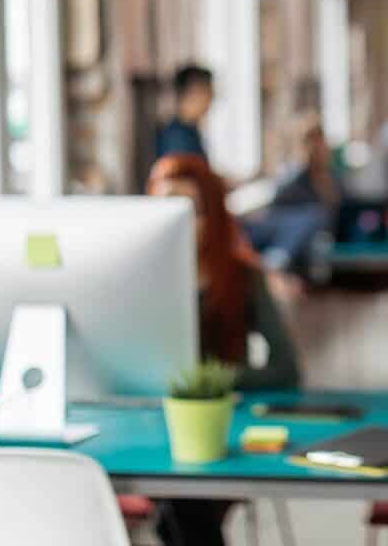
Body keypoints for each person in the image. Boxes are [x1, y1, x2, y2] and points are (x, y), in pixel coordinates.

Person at [146, 154, 301, 546]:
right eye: (165, 206)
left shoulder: (242, 277)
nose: (177, 220)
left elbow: (286, 368)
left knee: (180, 498)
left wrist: (212, 383)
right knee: (175, 495)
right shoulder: (138, 278)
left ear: (212, 215)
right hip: (152, 427)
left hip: (225, 430)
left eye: (190, 210)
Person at [243, 111, 341, 273]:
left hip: (311, 239)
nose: (317, 147)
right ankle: (274, 263)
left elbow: (335, 206)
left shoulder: (330, 177)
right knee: (311, 217)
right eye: (310, 141)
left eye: (319, 140)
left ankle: (277, 262)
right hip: (278, 229)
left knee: (316, 217)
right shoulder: (292, 174)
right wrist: (302, 163)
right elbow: (275, 202)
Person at [156, 64, 215, 162]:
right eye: (208, 91)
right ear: (195, 92)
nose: (212, 98)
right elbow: (186, 175)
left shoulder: (189, 131)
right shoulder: (176, 138)